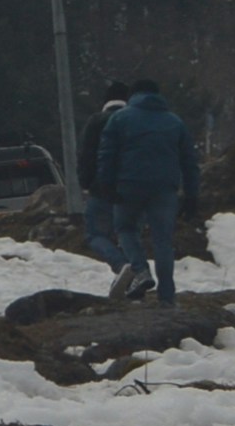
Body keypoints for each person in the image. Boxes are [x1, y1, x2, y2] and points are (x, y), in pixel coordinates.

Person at [92, 78, 203, 304]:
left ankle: (141, 270)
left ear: (133, 96)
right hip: (164, 189)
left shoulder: (119, 119)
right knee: (163, 240)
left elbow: (106, 156)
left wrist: (107, 185)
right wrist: (192, 196)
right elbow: (190, 162)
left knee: (126, 228)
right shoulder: (174, 122)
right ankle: (167, 296)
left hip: (128, 186)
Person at [80, 84, 134, 281]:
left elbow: (87, 155)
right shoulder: (135, 121)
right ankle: (135, 274)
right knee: (127, 233)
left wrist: (86, 182)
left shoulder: (96, 122)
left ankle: (121, 266)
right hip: (132, 187)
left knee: (94, 234)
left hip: (101, 189)